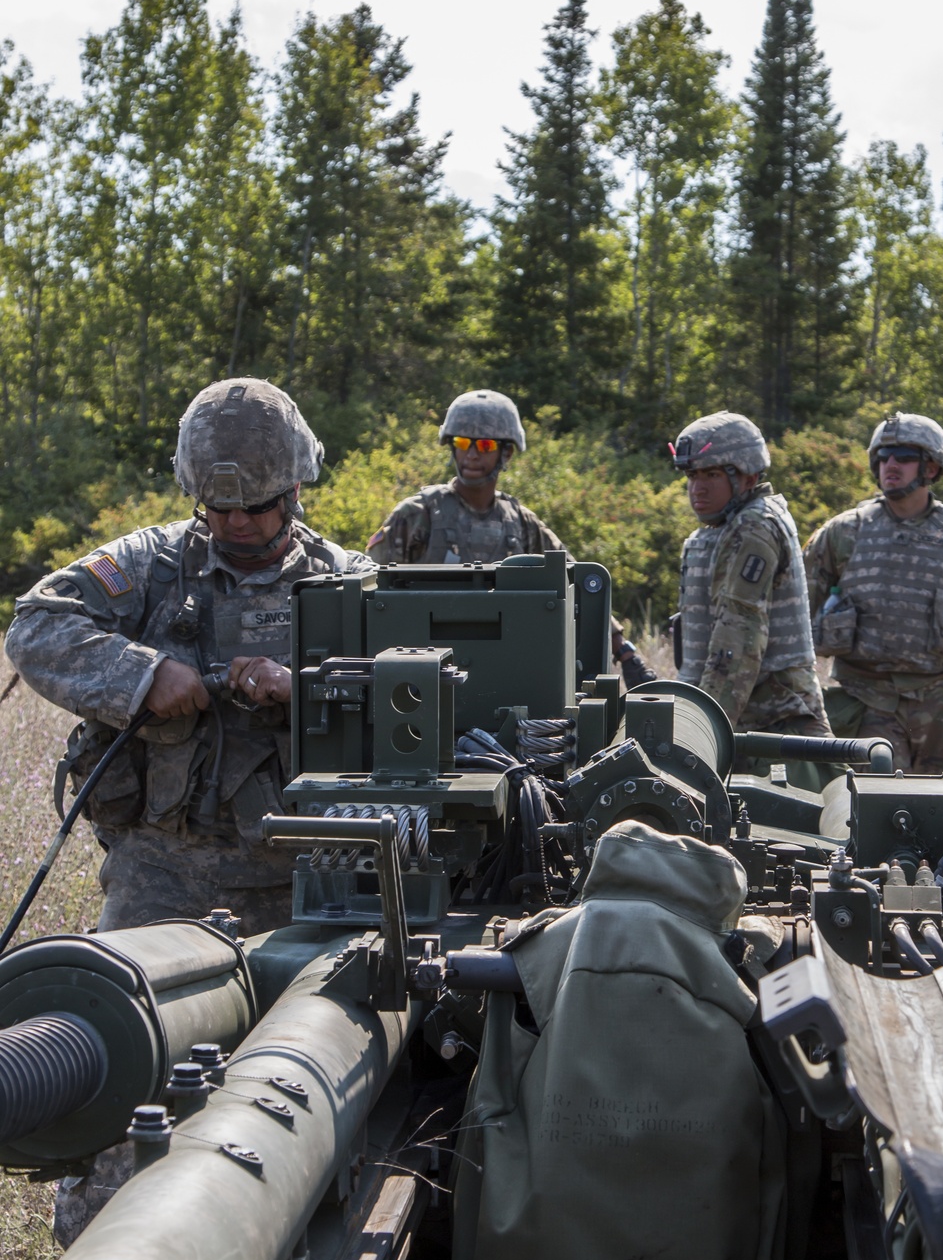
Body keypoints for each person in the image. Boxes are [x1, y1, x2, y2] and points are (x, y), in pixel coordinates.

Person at [5, 378, 375, 938]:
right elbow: (35, 623)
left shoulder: (348, 581)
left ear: (295, 489)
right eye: (218, 507)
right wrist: (143, 674)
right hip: (162, 871)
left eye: (254, 505)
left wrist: (302, 688)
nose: (236, 522)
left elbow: (413, 688)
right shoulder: (149, 564)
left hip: (311, 874)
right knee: (115, 1014)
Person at [366, 387, 656, 688]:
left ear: (506, 452)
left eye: (486, 444)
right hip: (425, 669)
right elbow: (369, 589)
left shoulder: (519, 522)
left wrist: (624, 652)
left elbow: (578, 581)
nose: (472, 454)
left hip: (504, 667)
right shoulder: (418, 514)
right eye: (463, 443)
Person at [803, 412, 943, 774]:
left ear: (932, 468)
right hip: (865, 702)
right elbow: (795, 617)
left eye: (905, 456)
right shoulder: (842, 533)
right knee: (874, 813)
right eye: (883, 457)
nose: (890, 465)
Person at [672, 411, 832, 749]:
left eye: (711, 474)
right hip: (747, 724)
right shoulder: (718, 532)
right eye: (692, 475)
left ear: (747, 477)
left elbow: (739, 637)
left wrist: (700, 734)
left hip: (776, 728)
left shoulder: (754, 527)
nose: (697, 488)